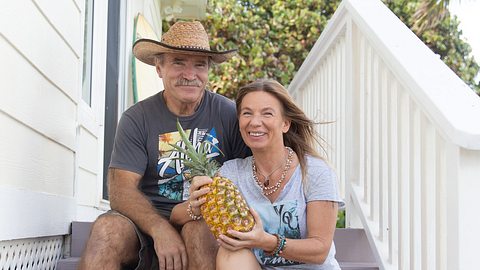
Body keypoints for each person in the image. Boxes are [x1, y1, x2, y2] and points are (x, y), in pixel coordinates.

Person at [78, 21, 250, 270]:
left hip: (204, 219)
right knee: (106, 231)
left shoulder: (229, 114)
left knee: (198, 233)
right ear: (159, 67)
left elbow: (255, 172)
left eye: (199, 64)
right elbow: (121, 191)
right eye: (178, 62)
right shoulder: (137, 118)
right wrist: (160, 228)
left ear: (208, 71)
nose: (190, 75)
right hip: (144, 224)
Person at [188, 79, 344, 269]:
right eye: (247, 113)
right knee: (230, 252)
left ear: (285, 123)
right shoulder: (231, 173)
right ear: (239, 123)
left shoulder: (315, 172)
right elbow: (176, 215)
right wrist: (195, 208)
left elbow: (320, 250)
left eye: (267, 113)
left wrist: (267, 242)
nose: (255, 122)